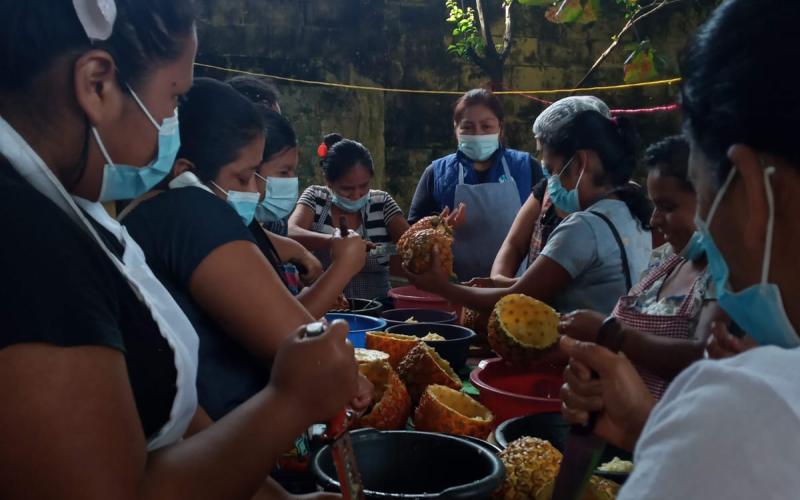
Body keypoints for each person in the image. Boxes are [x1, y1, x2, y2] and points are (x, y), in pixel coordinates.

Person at [0, 2, 357, 499]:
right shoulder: (24, 240)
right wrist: (288, 402)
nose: (173, 124)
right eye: (173, 100)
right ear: (96, 85)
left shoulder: (77, 212)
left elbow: (176, 426)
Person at [559, 1, 800, 497]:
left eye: (703, 194)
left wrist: (692, 434)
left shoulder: (754, 406)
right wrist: (647, 426)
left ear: (753, 191)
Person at [122, 77, 369, 420]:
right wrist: (347, 373)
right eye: (244, 176)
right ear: (185, 172)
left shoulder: (143, 216)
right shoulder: (191, 210)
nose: (257, 190)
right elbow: (302, 345)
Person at [407, 103, 652, 322]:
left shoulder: (583, 227)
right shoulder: (629, 210)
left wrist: (442, 287)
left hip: (580, 351)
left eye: (553, 171)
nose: (552, 183)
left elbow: (516, 299)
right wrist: (501, 280)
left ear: (580, 162)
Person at [559, 136, 716, 399]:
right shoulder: (665, 260)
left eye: (667, 207)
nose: (654, 220)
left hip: (663, 422)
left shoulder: (724, 278)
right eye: (655, 206)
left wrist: (611, 333)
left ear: (710, 201)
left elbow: (702, 359)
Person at [408, 88, 541, 281]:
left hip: (513, 286)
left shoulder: (527, 167)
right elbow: (412, 238)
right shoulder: (436, 173)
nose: (478, 134)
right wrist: (441, 229)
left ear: (500, 127)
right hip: (452, 288)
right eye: (467, 127)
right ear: (456, 129)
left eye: (486, 126)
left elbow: (547, 227)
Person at [490, 96, 610, 286]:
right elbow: (514, 244)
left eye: (550, 163)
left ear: (580, 161)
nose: (545, 167)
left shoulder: (618, 204)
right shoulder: (547, 191)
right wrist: (499, 279)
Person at [289, 133, 409, 303]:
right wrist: (334, 241)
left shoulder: (382, 203)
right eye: (347, 189)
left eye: (364, 186)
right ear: (328, 181)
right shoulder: (316, 198)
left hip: (379, 308)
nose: (356, 194)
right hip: (326, 307)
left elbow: (408, 247)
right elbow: (290, 232)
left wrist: (377, 250)